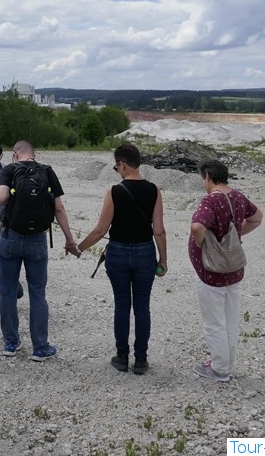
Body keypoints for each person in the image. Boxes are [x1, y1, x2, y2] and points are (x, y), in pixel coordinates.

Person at [73, 144, 167, 375]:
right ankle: (141, 360)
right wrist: (163, 260)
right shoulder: (154, 191)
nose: (117, 171)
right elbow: (159, 231)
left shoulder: (114, 192)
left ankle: (122, 356)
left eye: (116, 167)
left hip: (118, 253)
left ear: (123, 164)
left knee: (122, 305)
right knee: (142, 307)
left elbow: (100, 230)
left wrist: (79, 248)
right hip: (145, 253)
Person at [0, 140, 78, 361]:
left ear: (15, 154)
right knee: (38, 293)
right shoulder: (47, 171)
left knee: (8, 292)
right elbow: (59, 208)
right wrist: (69, 239)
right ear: (34, 154)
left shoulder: (9, 170)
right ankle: (40, 347)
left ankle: (11, 343)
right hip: (37, 240)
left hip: (11, 237)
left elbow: (0, 198)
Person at [189, 159, 263, 382]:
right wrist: (235, 237)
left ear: (208, 177)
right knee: (230, 319)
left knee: (214, 322)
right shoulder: (237, 196)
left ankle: (220, 369)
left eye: (203, 178)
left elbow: (197, 226)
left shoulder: (211, 200)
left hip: (212, 272)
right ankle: (227, 364)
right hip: (234, 270)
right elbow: (257, 217)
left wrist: (203, 244)